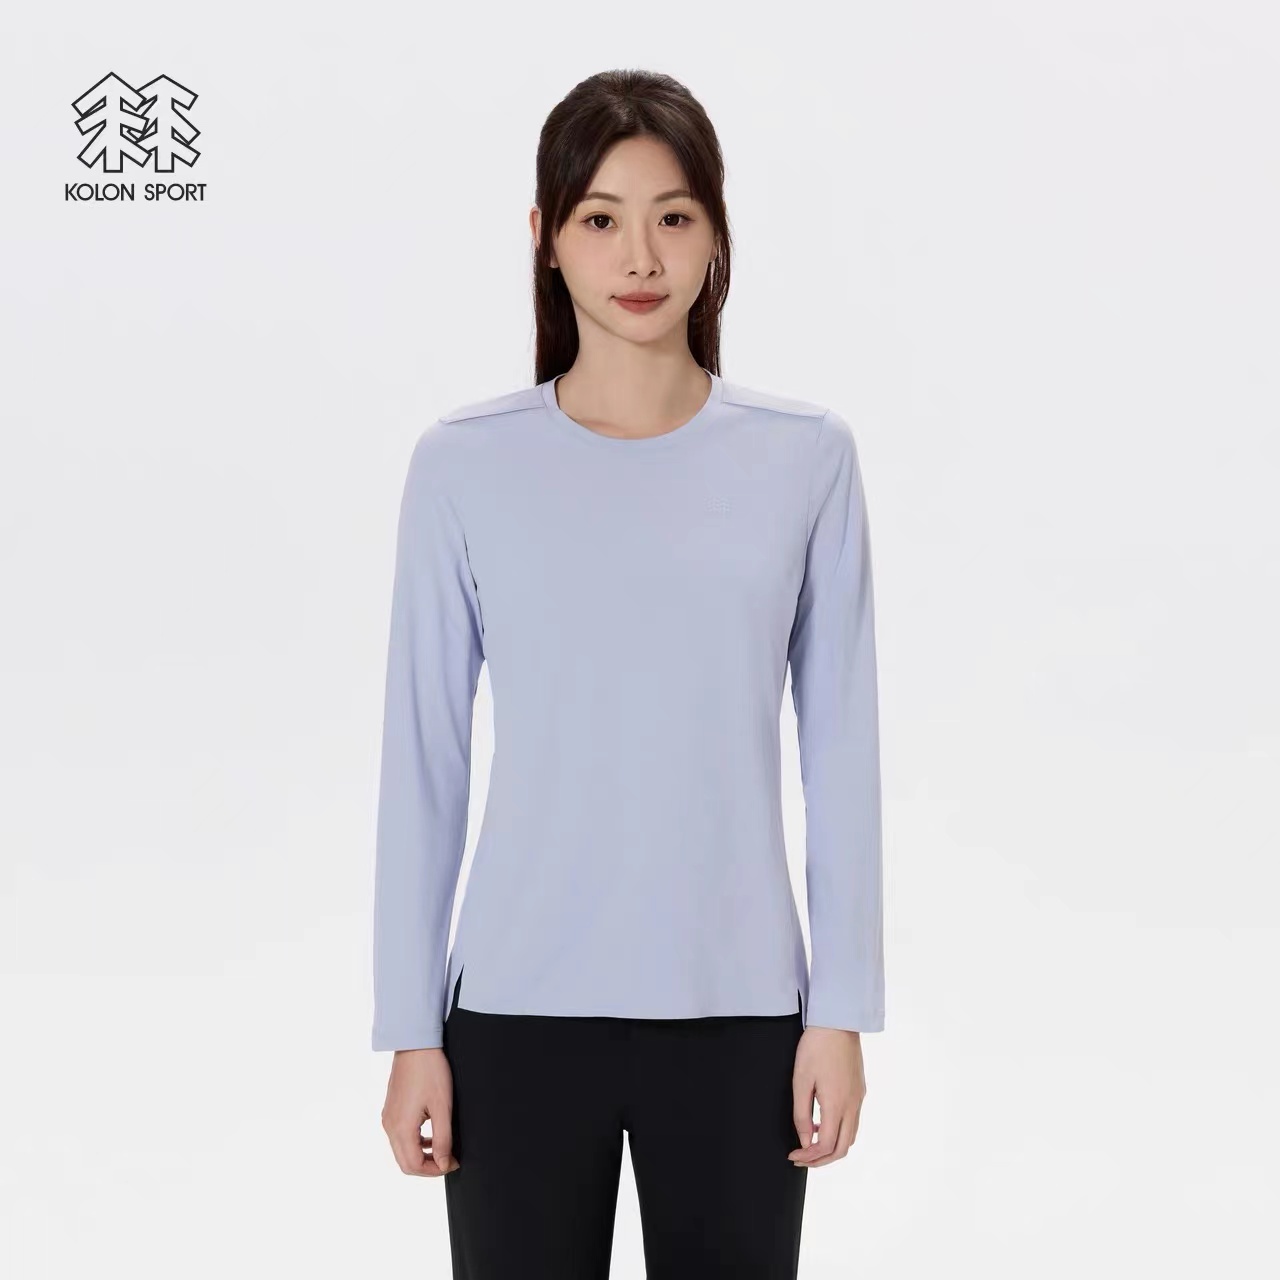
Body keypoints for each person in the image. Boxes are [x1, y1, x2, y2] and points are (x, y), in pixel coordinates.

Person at [371, 68, 884, 1279]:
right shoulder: (463, 466)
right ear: (544, 236)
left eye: (673, 215)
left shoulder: (803, 459)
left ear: (716, 234)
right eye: (599, 217)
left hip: (739, 1009)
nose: (639, 255)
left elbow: (841, 752)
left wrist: (840, 1010)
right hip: (511, 1014)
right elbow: (423, 760)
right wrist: (407, 1028)